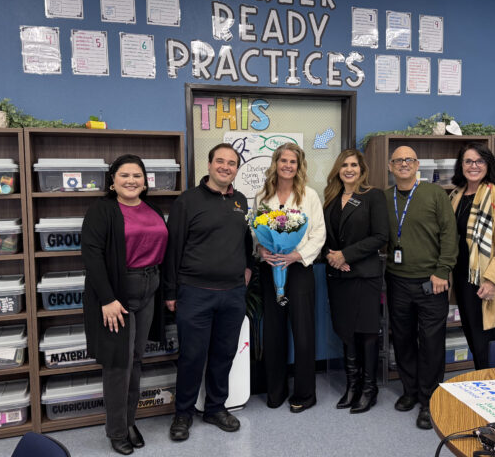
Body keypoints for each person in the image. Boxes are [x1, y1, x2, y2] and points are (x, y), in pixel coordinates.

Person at [163, 143, 253, 442]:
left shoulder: (241, 202)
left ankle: (215, 408)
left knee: (224, 354)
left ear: (236, 168)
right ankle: (183, 414)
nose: (226, 167)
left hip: (232, 294)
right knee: (192, 356)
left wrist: (249, 267)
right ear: (210, 164)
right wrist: (171, 292)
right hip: (195, 293)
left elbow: (244, 241)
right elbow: (173, 248)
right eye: (220, 161)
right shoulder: (187, 201)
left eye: (232, 163)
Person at [82, 154, 168, 455]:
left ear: (145, 182)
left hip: (149, 291)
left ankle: (130, 421)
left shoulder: (152, 209)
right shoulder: (102, 210)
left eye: (137, 175)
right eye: (124, 175)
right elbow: (91, 257)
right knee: (119, 363)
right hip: (117, 294)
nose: (131, 180)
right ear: (112, 181)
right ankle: (116, 430)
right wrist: (107, 300)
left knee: (136, 359)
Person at [384, 146, 458, 430]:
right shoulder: (384, 197)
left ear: (417, 165)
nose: (403, 164)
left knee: (430, 342)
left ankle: (429, 400)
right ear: (391, 167)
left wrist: (442, 271)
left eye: (409, 160)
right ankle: (410, 391)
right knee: (402, 339)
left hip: (432, 282)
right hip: (397, 280)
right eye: (398, 160)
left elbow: (450, 234)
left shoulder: (436, 194)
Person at [255, 142, 326, 413]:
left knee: (303, 333)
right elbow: (255, 231)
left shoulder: (309, 195)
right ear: (276, 163)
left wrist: (297, 255)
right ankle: (276, 390)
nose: (287, 165)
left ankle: (306, 394)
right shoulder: (263, 194)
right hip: (271, 268)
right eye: (283, 160)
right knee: (273, 332)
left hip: (299, 270)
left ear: (299, 166)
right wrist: (261, 249)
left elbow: (319, 233)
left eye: (292, 162)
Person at [323, 149, 389, 413]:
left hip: (364, 275)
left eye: (354, 165)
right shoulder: (330, 199)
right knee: (346, 332)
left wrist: (345, 254)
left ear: (362, 169)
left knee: (367, 333)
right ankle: (353, 385)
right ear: (338, 169)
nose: (349, 169)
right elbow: (323, 235)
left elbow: (380, 236)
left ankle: (369, 389)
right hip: (338, 275)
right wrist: (331, 256)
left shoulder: (373, 196)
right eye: (344, 165)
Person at [449, 142, 495, 370]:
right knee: (471, 334)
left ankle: (493, 388)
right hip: (461, 276)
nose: (474, 166)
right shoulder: (455, 195)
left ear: (488, 165)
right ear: (461, 166)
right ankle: (484, 382)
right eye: (468, 161)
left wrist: (491, 280)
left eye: (479, 161)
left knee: (486, 341)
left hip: (483, 279)